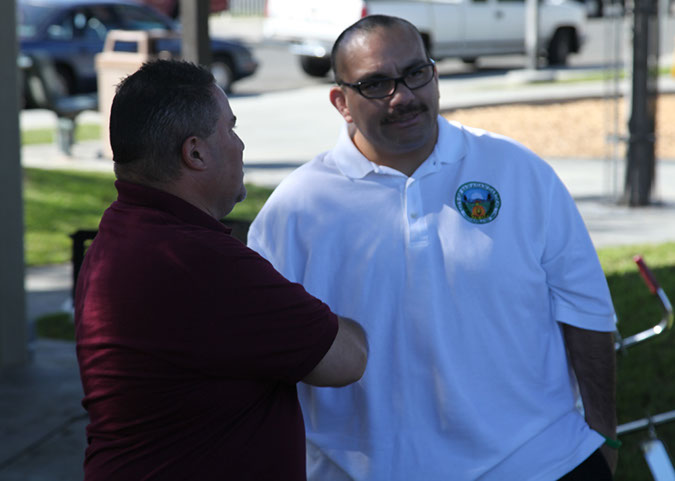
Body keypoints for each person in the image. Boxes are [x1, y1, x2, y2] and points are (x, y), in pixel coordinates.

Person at [247, 15, 618, 481]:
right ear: (341, 101)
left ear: (435, 74)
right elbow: (259, 355)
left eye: (416, 73)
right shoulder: (296, 209)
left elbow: (584, 308)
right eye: (377, 83)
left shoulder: (520, 172)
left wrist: (604, 435)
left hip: (539, 463)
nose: (402, 96)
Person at [74, 59, 368, 481]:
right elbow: (346, 359)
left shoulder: (121, 232)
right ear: (195, 152)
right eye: (229, 128)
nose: (240, 144)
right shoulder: (196, 260)